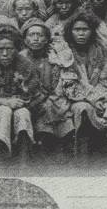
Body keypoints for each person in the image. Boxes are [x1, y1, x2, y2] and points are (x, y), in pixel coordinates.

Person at [0, 24, 43, 162]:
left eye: (9, 49)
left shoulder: (25, 65)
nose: (5, 54)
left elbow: (31, 92)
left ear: (17, 49)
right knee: (3, 111)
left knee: (22, 114)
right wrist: (3, 101)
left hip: (19, 106)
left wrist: (16, 102)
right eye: (0, 49)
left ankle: (24, 158)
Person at [63, 9, 107, 155]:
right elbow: (69, 84)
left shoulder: (100, 50)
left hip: (99, 94)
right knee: (83, 108)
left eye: (85, 29)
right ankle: (82, 151)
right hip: (74, 97)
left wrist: (100, 98)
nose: (81, 33)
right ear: (70, 31)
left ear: (92, 31)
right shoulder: (65, 53)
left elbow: (105, 80)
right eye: (77, 29)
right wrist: (93, 99)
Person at [19, 18, 75, 156]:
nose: (36, 39)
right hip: (30, 100)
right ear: (25, 40)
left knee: (56, 108)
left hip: (53, 97)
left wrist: (50, 97)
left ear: (46, 39)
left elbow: (59, 81)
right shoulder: (20, 58)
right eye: (32, 35)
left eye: (40, 35)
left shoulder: (54, 57)